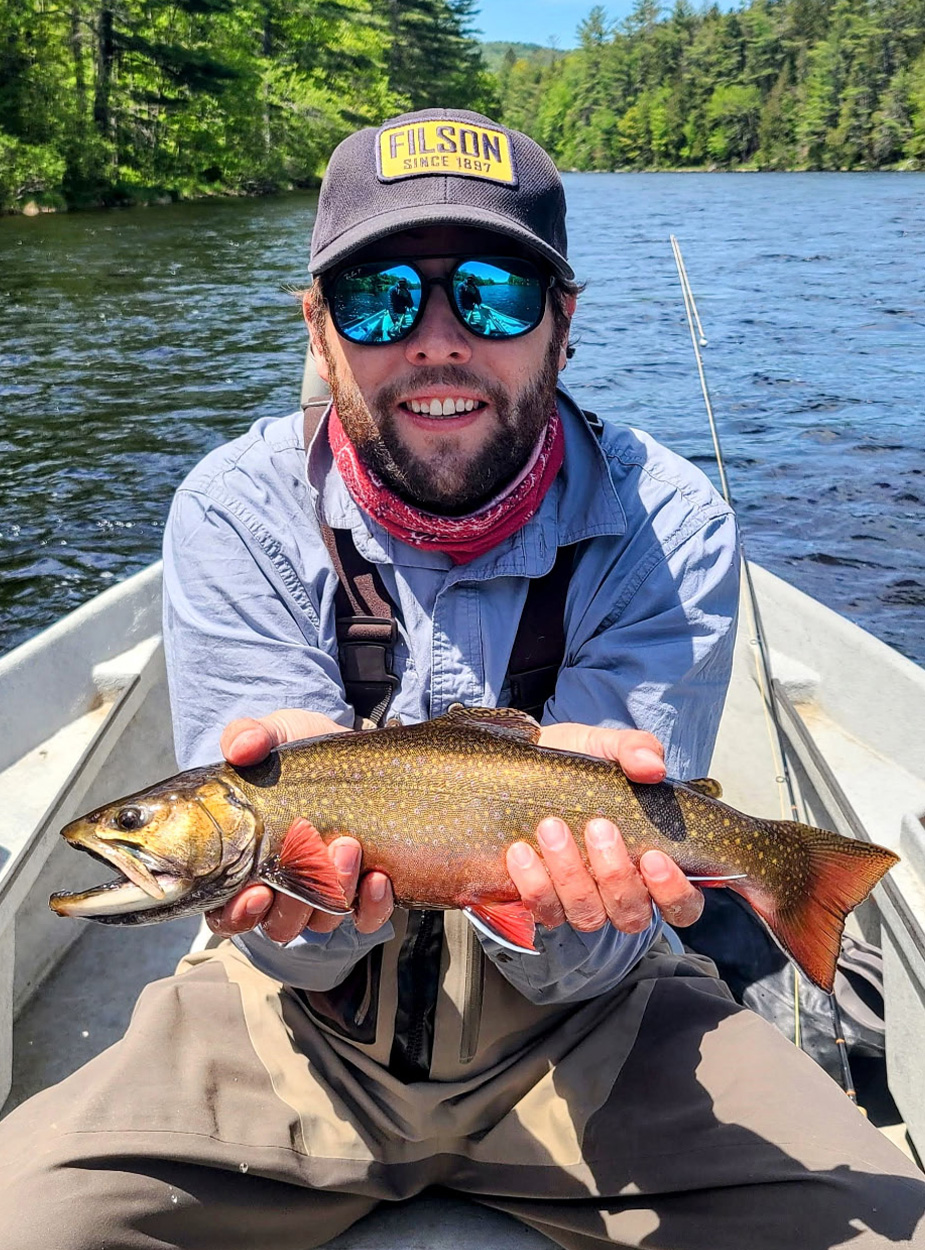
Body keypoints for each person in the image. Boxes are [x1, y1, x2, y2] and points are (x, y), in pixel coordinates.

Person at [1, 106, 923, 1250]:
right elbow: (279, 944)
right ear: (318, 327)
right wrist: (307, 913)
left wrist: (564, 910)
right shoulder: (235, 512)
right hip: (294, 1030)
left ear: (563, 326)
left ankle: (795, 879)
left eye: (493, 292)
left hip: (599, 1029)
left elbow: (601, 947)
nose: (437, 339)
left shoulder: (669, 521)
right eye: (379, 296)